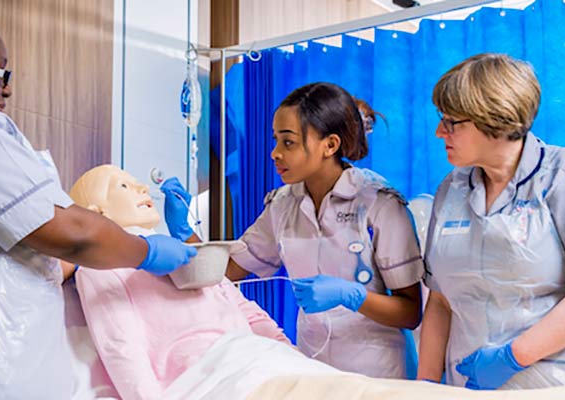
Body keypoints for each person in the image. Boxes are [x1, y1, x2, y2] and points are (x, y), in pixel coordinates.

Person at [0, 1, 195, 398]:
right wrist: (146, 250)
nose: (8, 87)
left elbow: (34, 255)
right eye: (0, 72)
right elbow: (73, 235)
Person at [162, 82, 425, 379]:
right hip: (312, 368)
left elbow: (410, 312)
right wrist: (184, 231)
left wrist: (354, 297)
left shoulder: (379, 204)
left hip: (377, 373)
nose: (274, 153)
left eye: (288, 142)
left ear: (330, 145)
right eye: (275, 141)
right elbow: (222, 274)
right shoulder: (283, 205)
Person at [416, 53, 565, 389]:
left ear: (494, 119)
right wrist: (424, 385)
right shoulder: (451, 189)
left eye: (452, 121)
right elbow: (440, 301)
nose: (440, 132)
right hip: (472, 385)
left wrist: (512, 357)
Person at [64, 165, 293, 399]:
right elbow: (122, 348)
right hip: (207, 376)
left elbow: (245, 310)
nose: (143, 188)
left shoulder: (178, 252)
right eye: (124, 185)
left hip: (259, 359)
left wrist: (291, 355)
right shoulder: (103, 268)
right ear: (96, 215)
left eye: (137, 183)